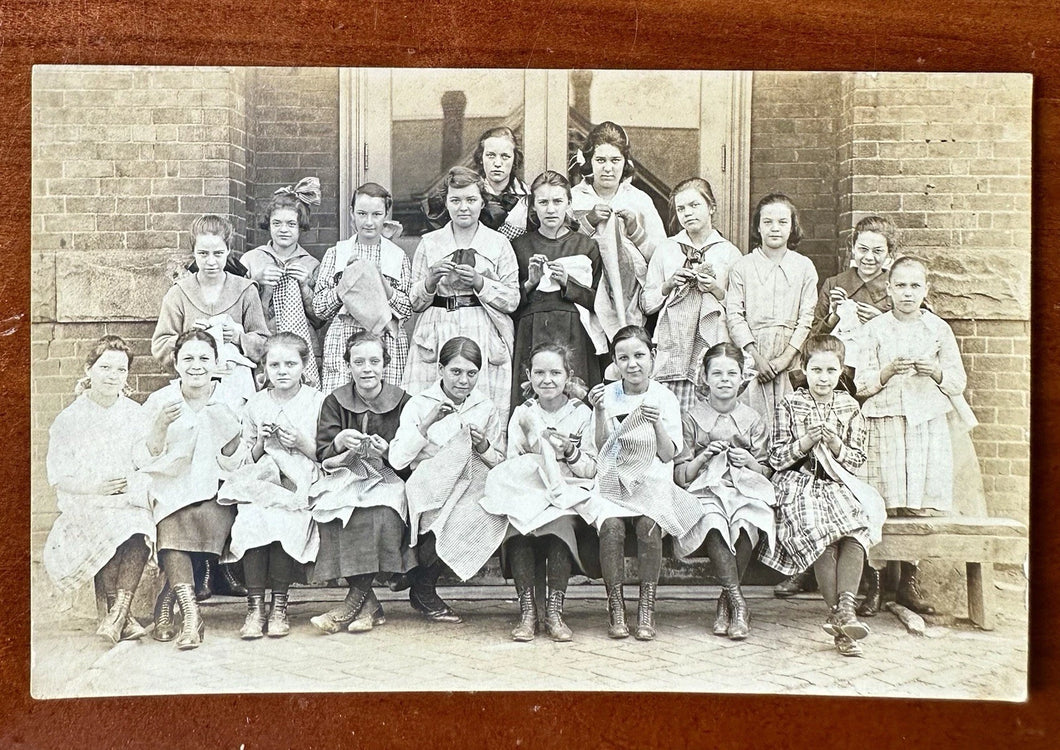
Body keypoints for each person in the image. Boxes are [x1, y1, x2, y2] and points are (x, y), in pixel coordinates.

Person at [855, 256, 981, 616]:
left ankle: (909, 580)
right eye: (900, 286)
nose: (907, 293)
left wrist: (937, 371)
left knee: (917, 502)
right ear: (889, 289)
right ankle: (875, 584)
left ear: (926, 290)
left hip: (925, 422)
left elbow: (957, 382)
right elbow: (861, 384)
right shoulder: (876, 329)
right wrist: (888, 370)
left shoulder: (937, 329)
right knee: (882, 502)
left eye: (915, 286)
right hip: (885, 421)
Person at [759, 335, 886, 658]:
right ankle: (842, 617)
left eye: (831, 370)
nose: (823, 378)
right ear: (805, 369)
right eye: (816, 370)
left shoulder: (849, 407)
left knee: (857, 528)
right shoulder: (790, 404)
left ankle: (843, 611)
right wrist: (803, 443)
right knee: (821, 533)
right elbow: (775, 459)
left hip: (836, 483)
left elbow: (857, 459)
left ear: (841, 371)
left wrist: (835, 445)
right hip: (798, 483)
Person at [583, 326, 703, 641]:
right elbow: (600, 448)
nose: (632, 364)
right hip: (614, 478)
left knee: (649, 526)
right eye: (623, 358)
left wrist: (656, 423)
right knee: (611, 527)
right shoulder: (607, 395)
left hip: (651, 478)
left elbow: (667, 455)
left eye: (639, 355)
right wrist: (598, 413)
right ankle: (617, 607)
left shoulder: (664, 397)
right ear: (614, 362)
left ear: (652, 356)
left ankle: (647, 607)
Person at [480, 343, 601, 642]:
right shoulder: (523, 413)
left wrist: (570, 452)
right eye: (540, 373)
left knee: (560, 527)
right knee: (519, 528)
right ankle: (527, 612)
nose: (547, 380)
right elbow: (512, 465)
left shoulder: (581, 414)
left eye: (555, 373)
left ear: (568, 375)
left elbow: (591, 469)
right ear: (529, 375)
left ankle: (554, 611)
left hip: (568, 489)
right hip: (531, 488)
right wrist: (536, 451)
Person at [42, 335, 155, 645]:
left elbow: (144, 461)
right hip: (85, 499)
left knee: (139, 525)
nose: (112, 376)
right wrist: (95, 487)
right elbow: (59, 476)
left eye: (120, 370)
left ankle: (116, 614)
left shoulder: (135, 414)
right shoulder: (69, 419)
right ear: (89, 369)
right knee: (107, 524)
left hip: (126, 497)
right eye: (105, 367)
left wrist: (129, 487)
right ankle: (123, 617)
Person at [135, 330, 244, 650]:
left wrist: (232, 434)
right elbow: (144, 456)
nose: (196, 365)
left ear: (216, 363)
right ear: (177, 363)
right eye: (188, 359)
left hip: (214, 486)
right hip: (171, 484)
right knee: (170, 521)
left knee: (204, 518)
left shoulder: (229, 399)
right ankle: (193, 615)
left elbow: (237, 462)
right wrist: (159, 426)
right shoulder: (160, 400)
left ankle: (167, 604)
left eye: (203, 358)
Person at [390, 336, 508, 624]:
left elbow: (500, 462)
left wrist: (483, 447)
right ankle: (423, 587)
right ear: (440, 369)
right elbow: (398, 459)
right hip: (429, 482)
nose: (463, 381)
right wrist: (428, 422)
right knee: (443, 510)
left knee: (482, 512)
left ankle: (417, 577)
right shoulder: (420, 403)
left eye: (471, 373)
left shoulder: (486, 407)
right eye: (456, 372)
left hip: (469, 482)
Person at [308, 332, 416, 635]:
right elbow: (323, 451)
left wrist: (388, 450)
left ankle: (350, 607)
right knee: (332, 513)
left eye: (373, 361)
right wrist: (340, 441)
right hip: (347, 475)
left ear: (386, 364)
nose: (366, 368)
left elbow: (410, 453)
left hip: (388, 477)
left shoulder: (403, 401)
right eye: (359, 362)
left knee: (380, 514)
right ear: (348, 365)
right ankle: (366, 607)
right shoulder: (335, 401)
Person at [218, 333, 325, 639]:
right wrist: (264, 442)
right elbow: (247, 459)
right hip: (263, 479)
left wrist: (301, 443)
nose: (282, 371)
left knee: (284, 520)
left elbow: (326, 454)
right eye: (274, 364)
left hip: (301, 478)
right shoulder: (256, 403)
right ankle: (255, 608)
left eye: (290, 364)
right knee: (252, 518)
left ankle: (279, 604)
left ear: (304, 365)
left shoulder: (317, 401)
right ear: (263, 367)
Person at [673, 343, 775, 640]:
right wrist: (703, 458)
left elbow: (767, 471)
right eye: (716, 373)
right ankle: (738, 603)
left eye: (732, 373)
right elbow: (681, 474)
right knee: (714, 521)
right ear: (704, 377)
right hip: (705, 487)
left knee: (746, 520)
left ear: (743, 377)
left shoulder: (753, 419)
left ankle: (725, 603)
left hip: (744, 486)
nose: (724, 379)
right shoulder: (692, 417)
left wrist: (750, 462)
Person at [405, 166, 520, 425]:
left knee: (481, 410)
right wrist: (431, 281)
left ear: (482, 202)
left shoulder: (498, 243)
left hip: (481, 327)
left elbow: (513, 299)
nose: (463, 207)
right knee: (433, 411)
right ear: (447, 203)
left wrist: (481, 283)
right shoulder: (430, 243)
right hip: (438, 327)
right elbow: (413, 301)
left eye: (471, 200)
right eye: (455, 201)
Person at [642, 178, 743, 411]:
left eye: (694, 205)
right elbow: (647, 304)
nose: (687, 213)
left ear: (711, 207)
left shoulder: (729, 253)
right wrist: (668, 285)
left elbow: (740, 308)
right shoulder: (667, 249)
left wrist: (717, 289)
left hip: (713, 343)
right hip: (673, 345)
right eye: (681, 209)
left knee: (707, 410)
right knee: (670, 412)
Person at [152, 214, 270, 412]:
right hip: (193, 388)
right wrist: (188, 338)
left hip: (237, 389)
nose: (211, 261)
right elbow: (160, 346)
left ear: (228, 251)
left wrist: (238, 337)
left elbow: (265, 344)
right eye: (203, 253)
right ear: (194, 253)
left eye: (218, 253)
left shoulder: (245, 290)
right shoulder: (179, 293)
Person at [510, 170, 603, 415]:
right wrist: (530, 283)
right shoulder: (519, 246)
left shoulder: (586, 245)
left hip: (574, 332)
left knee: (576, 401)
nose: (551, 209)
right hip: (532, 331)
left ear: (569, 204)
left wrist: (568, 283)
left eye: (557, 201)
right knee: (530, 402)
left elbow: (600, 302)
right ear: (533, 207)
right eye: (543, 202)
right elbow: (508, 304)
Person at [726, 193, 818, 424]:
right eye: (767, 222)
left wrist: (787, 357)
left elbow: (807, 317)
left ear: (792, 226)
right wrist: (756, 358)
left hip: (791, 353)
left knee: (791, 420)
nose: (774, 228)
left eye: (782, 222)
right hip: (754, 353)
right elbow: (734, 315)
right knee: (753, 418)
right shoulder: (743, 267)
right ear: (758, 226)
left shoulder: (804, 267)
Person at [570, 121, 666, 342]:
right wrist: (587, 221)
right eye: (600, 160)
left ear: (625, 163)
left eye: (615, 160)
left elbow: (661, 257)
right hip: (586, 296)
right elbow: (561, 246)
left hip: (630, 296)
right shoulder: (574, 198)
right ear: (588, 162)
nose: (608, 168)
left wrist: (634, 231)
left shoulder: (639, 199)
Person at [313, 182, 413, 392]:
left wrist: (381, 282)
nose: (368, 222)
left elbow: (406, 310)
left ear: (386, 214)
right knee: (342, 407)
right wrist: (345, 284)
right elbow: (320, 309)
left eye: (376, 214)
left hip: (385, 341)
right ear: (352, 213)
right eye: (362, 213)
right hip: (344, 338)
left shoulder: (397, 256)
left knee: (385, 408)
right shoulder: (336, 253)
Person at [240, 178, 324, 387]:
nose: (283, 229)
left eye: (291, 224)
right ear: (268, 225)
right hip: (263, 350)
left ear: (300, 226)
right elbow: (238, 309)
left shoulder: (311, 264)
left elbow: (320, 318)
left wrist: (305, 285)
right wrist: (256, 282)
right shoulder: (252, 259)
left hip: (302, 350)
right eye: (277, 223)